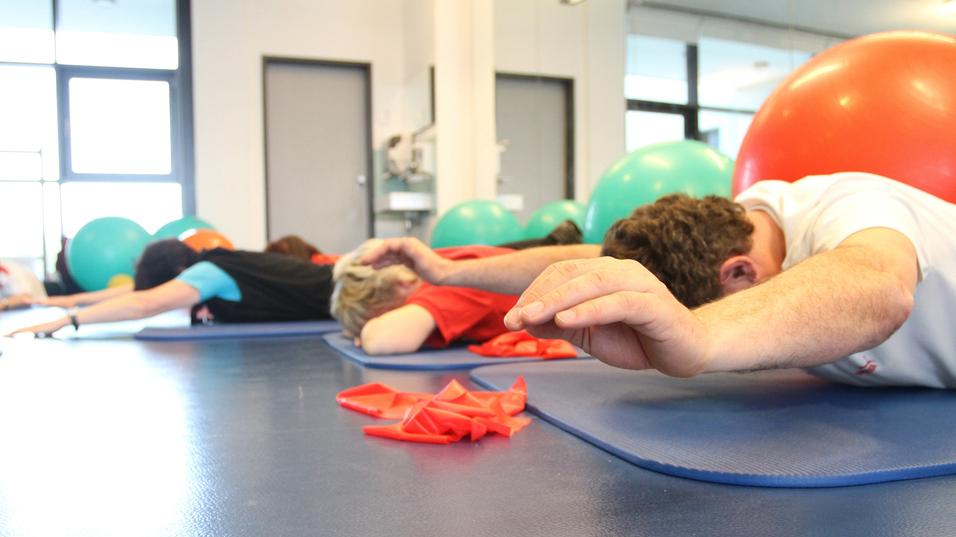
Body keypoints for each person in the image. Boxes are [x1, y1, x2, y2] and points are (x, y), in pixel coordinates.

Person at [364, 173, 956, 388]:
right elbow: (592, 254)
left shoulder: (851, 205)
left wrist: (695, 334)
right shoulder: (743, 217)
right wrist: (447, 271)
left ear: (739, 272)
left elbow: (878, 286)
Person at [7, 239, 335, 336]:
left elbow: (143, 304)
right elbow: (134, 294)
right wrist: (58, 301)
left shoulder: (209, 273)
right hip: (339, 297)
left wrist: (70, 321)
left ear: (177, 274)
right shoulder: (208, 264)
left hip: (347, 293)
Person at [332, 243, 520, 355]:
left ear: (401, 285)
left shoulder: (455, 280)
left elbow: (379, 340)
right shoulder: (436, 265)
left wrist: (368, 331)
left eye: (386, 314)